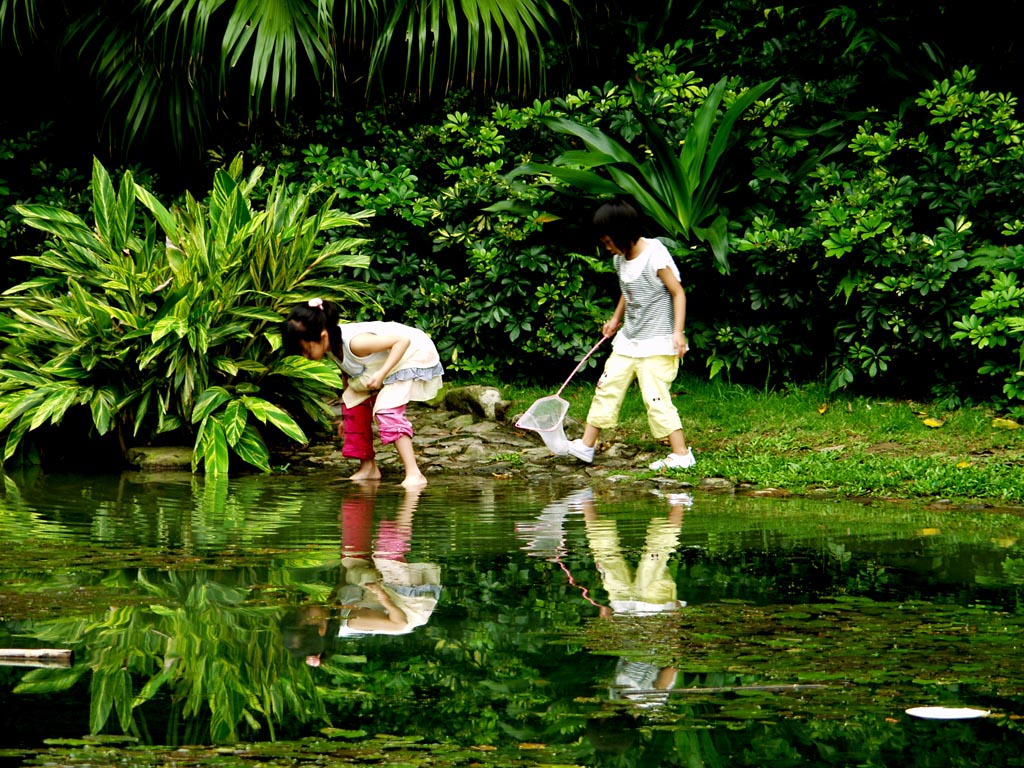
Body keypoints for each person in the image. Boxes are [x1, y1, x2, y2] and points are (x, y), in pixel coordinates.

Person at [566, 199, 696, 471]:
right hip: (629, 340)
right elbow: (628, 292)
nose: (607, 247)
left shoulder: (655, 255)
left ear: (623, 233)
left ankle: (682, 454)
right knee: (607, 386)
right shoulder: (620, 260)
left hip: (657, 342)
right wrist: (615, 319)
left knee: (655, 397)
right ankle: (587, 446)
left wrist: (678, 333)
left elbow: (678, 292)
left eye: (608, 241)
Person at [282, 299, 443, 487]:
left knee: (386, 410)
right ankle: (369, 468)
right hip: (381, 364)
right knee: (352, 403)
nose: (305, 356)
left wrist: (382, 374)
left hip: (411, 354)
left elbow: (403, 341)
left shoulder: (356, 343)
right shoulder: (332, 346)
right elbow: (347, 373)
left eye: (306, 350)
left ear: (323, 336)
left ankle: (414, 474)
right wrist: (347, 417)